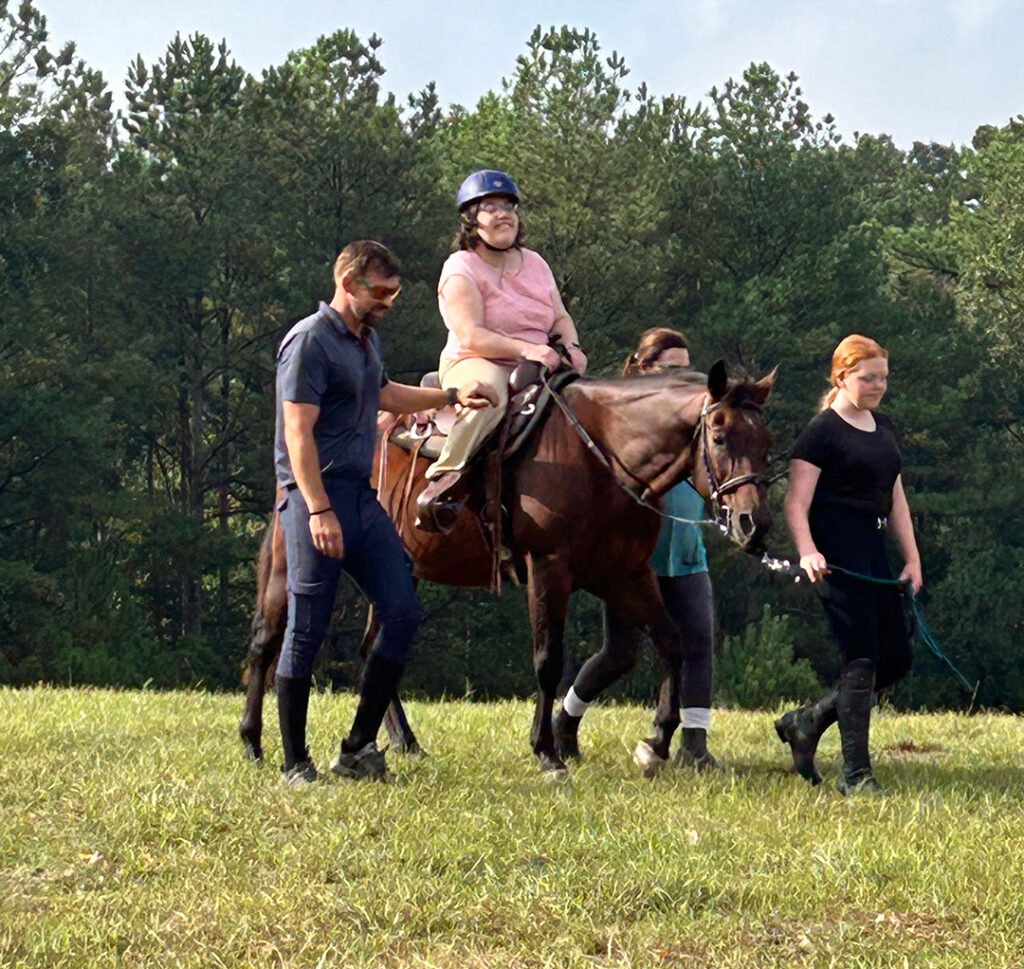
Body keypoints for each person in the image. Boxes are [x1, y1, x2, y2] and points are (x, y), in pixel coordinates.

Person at [274, 240, 498, 787]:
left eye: (394, 294)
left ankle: (357, 748)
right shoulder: (308, 342)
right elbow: (297, 433)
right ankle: (294, 763)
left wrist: (449, 396)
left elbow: (385, 394)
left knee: (401, 608)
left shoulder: (365, 341)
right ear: (347, 283)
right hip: (314, 498)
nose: (388, 303)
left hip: (358, 496)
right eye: (380, 292)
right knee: (308, 628)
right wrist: (318, 511)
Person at [777, 334, 923, 795]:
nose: (879, 385)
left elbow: (894, 494)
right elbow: (795, 502)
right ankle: (856, 775)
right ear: (842, 377)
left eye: (883, 377)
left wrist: (912, 557)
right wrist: (807, 550)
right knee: (860, 659)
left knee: (895, 660)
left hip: (874, 552)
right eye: (868, 377)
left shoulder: (884, 426)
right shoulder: (822, 431)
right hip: (834, 555)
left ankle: (807, 721)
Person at [415, 169, 588, 532]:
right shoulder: (460, 267)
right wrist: (531, 349)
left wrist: (571, 345)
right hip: (477, 360)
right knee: (488, 399)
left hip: (540, 361)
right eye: (489, 207)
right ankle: (444, 482)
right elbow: (472, 334)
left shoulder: (536, 262)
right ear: (470, 219)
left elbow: (559, 316)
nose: (502, 213)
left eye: (507, 205)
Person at [624, 328, 718, 769]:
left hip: (687, 551)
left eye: (688, 369)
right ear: (644, 370)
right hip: (635, 557)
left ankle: (693, 748)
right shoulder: (627, 418)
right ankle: (567, 717)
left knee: (698, 641)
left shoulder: (696, 416)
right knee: (617, 655)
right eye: (672, 369)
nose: (684, 378)